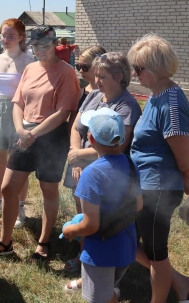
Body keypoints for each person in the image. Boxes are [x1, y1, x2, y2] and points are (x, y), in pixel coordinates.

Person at [0, 26, 81, 260]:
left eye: (45, 46)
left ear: (55, 44)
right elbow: (18, 102)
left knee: (48, 189)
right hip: (25, 132)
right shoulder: (30, 68)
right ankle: (5, 244)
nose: (40, 51)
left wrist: (33, 133)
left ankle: (44, 243)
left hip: (52, 137)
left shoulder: (66, 72)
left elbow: (63, 112)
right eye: (36, 46)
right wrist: (20, 129)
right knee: (8, 188)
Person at [128, 34, 189, 303]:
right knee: (130, 241)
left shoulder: (170, 103)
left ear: (156, 69)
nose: (134, 74)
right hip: (146, 184)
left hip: (158, 187)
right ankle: (181, 283)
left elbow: (183, 154)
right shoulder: (156, 96)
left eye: (138, 69)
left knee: (156, 252)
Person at [63, 51, 141, 285]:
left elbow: (119, 143)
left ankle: (101, 267)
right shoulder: (94, 95)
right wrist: (76, 158)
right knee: (83, 212)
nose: (96, 82)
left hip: (106, 171)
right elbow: (77, 127)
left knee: (101, 220)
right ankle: (84, 256)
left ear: (119, 77)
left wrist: (79, 155)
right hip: (81, 166)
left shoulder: (127, 106)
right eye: (95, 75)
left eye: (102, 77)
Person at [62, 108, 143, 303]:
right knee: (107, 295)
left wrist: (71, 231)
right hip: (126, 247)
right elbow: (138, 205)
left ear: (90, 138)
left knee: (99, 299)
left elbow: (90, 226)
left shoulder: (91, 174)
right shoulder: (132, 165)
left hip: (101, 254)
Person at [0, 18, 34, 228]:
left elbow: (29, 95)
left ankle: (20, 208)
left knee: (19, 165)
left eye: (10, 36)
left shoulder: (29, 61)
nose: (6, 39)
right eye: (3, 35)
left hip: (18, 113)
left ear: (21, 37)